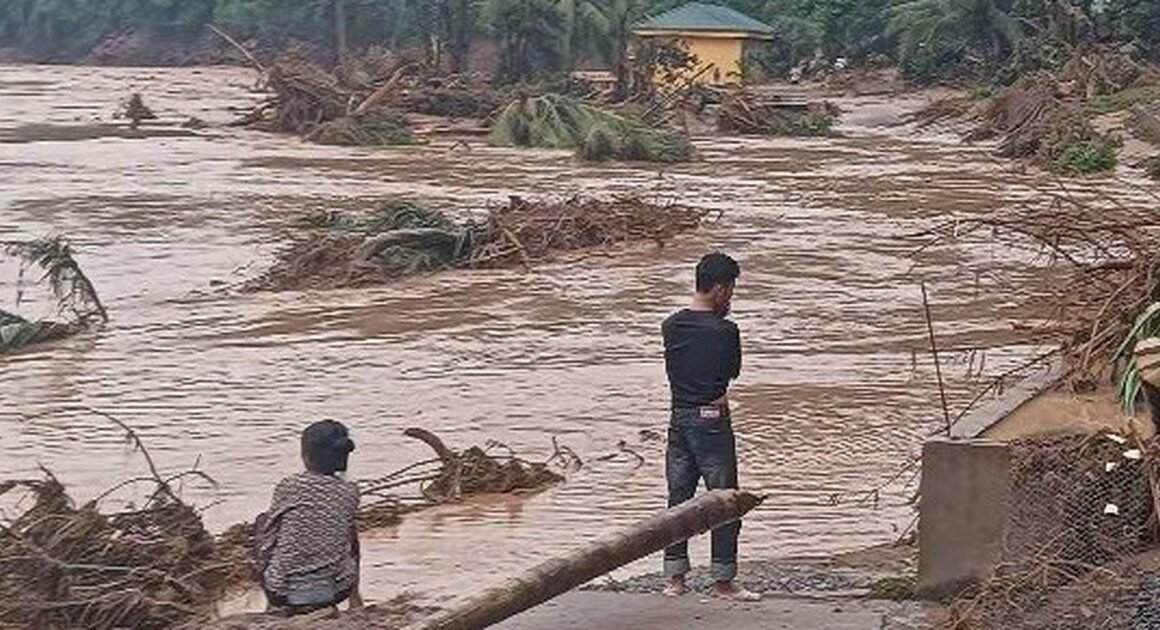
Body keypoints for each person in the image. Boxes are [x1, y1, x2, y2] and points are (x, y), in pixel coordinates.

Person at [661, 252, 760, 601]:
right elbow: (729, 374)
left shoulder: (670, 326)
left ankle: (675, 580)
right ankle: (723, 581)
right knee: (723, 500)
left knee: (678, 500)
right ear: (719, 288)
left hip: (678, 418)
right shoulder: (726, 331)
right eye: (731, 289)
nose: (731, 297)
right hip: (713, 419)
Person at [257, 420, 364, 614]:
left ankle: (270, 605)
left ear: (306, 457)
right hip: (338, 590)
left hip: (281, 592)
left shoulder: (288, 486)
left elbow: (270, 538)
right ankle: (356, 598)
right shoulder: (351, 491)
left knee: (264, 522)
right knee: (350, 530)